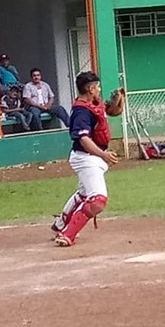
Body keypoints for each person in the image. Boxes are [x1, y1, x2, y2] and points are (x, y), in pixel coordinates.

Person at [50, 72, 124, 247]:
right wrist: (103, 154)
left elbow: (103, 112)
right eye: (97, 87)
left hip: (91, 157)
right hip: (86, 158)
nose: (99, 90)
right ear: (90, 89)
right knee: (98, 200)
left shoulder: (92, 104)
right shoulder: (81, 111)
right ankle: (68, 234)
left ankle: (61, 224)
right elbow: (83, 139)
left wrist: (112, 106)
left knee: (84, 194)